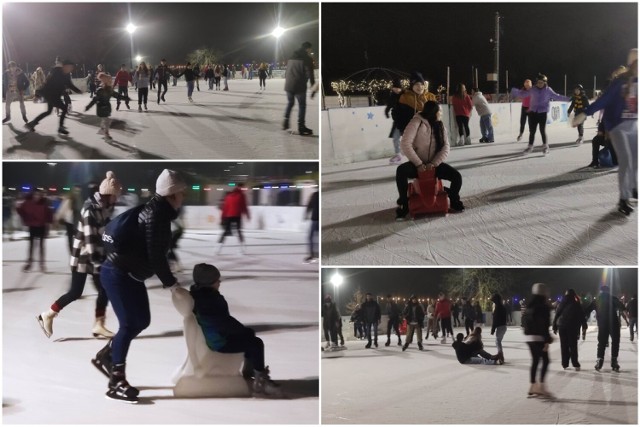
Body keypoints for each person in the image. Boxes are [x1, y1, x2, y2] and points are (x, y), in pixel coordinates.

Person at [93, 169, 186, 402]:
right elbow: (157, 256)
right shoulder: (156, 216)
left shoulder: (159, 213)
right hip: (117, 274)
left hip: (130, 275)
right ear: (172, 194)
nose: (183, 197)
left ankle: (107, 355)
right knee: (128, 324)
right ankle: (116, 381)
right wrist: (172, 284)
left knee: (141, 320)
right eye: (181, 192)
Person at [37, 172, 121, 339]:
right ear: (109, 194)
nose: (117, 199)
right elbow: (90, 241)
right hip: (83, 258)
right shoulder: (91, 210)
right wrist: (99, 263)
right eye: (116, 195)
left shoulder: (104, 208)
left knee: (103, 290)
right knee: (76, 292)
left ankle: (99, 324)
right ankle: (47, 315)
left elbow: (105, 233)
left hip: (93, 256)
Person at [189, 263, 281, 396]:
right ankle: (261, 380)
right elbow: (222, 322)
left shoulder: (201, 296)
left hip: (215, 335)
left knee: (249, 334)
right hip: (219, 341)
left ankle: (249, 371)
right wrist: (240, 330)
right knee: (256, 343)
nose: (219, 282)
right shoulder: (210, 301)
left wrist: (242, 330)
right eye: (217, 280)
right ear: (208, 282)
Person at [577, 49, 637, 215]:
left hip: (634, 126)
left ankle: (633, 187)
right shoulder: (620, 82)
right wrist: (585, 113)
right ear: (632, 64)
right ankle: (623, 200)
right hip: (617, 126)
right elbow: (603, 100)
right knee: (625, 160)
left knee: (636, 160)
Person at [395, 100, 464, 219]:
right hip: (417, 165)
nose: (441, 114)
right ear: (434, 112)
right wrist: (418, 164)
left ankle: (454, 200)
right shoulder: (416, 122)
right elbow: (405, 143)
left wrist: (434, 163)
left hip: (434, 165)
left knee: (456, 177)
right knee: (401, 171)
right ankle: (404, 204)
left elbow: (445, 147)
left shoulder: (440, 125)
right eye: (440, 111)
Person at [511, 73, 570, 155]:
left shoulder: (548, 90)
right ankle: (530, 147)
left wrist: (568, 99)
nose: (540, 84)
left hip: (542, 113)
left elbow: (556, 96)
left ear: (545, 83)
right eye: (538, 82)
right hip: (533, 112)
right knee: (532, 131)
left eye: (541, 82)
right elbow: (523, 94)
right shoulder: (533, 89)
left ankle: (545, 146)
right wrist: (514, 91)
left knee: (542, 130)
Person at [25, 59, 81, 135]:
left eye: (71, 68)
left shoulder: (66, 75)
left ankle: (32, 123)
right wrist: (37, 94)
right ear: (65, 66)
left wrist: (78, 91)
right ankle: (60, 127)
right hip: (50, 94)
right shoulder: (56, 72)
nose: (70, 69)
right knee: (64, 108)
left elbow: (70, 85)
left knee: (48, 112)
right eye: (69, 67)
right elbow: (47, 82)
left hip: (55, 95)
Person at [522, 283, 553, 398]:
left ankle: (533, 385)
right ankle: (541, 387)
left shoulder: (529, 306)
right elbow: (544, 325)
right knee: (545, 360)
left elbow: (524, 322)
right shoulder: (544, 307)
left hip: (529, 338)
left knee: (535, 360)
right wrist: (546, 340)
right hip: (539, 338)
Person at [584, 285, 625, 371]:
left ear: (601, 291)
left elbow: (587, 310)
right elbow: (622, 307)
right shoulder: (613, 298)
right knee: (615, 342)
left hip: (602, 324)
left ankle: (599, 361)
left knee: (601, 342)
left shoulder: (597, 299)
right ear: (608, 291)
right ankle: (614, 361)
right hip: (613, 323)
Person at [84, 73, 130, 141]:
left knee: (105, 120)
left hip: (107, 108)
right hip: (101, 108)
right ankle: (106, 134)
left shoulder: (110, 90)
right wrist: (88, 106)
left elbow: (117, 95)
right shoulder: (100, 90)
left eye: (111, 81)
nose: (111, 82)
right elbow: (94, 100)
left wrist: (126, 98)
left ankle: (102, 129)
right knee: (107, 121)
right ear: (105, 81)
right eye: (109, 81)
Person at [283, 42, 315, 136]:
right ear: (308, 49)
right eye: (310, 49)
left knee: (290, 103)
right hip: (299, 86)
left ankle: (285, 121)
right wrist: (313, 89)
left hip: (288, 84)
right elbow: (311, 75)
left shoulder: (291, 57)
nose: (310, 51)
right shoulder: (307, 59)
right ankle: (301, 126)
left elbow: (287, 71)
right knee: (302, 105)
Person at [16, 190, 53, 272]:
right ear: (33, 195)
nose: (37, 196)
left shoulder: (44, 203)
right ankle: (29, 263)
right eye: (35, 195)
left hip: (42, 226)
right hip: (32, 226)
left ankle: (42, 264)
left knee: (41, 246)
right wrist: (18, 207)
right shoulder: (28, 203)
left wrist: (50, 223)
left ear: (41, 196)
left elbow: (49, 214)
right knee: (31, 246)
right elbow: (21, 210)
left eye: (39, 195)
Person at [552, 289, 587, 371]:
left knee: (564, 345)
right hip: (572, 327)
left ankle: (565, 363)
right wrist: (584, 325)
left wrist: (554, 325)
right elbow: (582, 315)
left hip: (562, 326)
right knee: (573, 345)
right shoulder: (576, 304)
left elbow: (557, 314)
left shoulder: (562, 303)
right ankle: (575, 362)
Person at [217, 183, 250, 254]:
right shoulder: (241, 196)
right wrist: (247, 215)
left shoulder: (228, 196)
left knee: (225, 232)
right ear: (239, 187)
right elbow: (244, 206)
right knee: (238, 231)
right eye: (242, 188)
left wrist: (222, 217)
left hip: (229, 215)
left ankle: (218, 248)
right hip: (237, 215)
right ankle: (242, 248)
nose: (243, 189)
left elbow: (225, 208)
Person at [53, 185, 83, 253]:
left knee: (77, 238)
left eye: (78, 191)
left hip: (77, 221)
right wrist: (57, 218)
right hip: (69, 221)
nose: (77, 192)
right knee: (70, 238)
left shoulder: (80, 199)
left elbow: (81, 209)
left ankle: (76, 251)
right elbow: (62, 209)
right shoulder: (69, 199)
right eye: (76, 190)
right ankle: (71, 251)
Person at [384, 78, 405, 165]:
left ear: (400, 88)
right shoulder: (392, 96)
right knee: (395, 138)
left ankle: (417, 154)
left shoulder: (405, 95)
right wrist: (387, 111)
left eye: (397, 88)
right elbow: (389, 105)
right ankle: (398, 155)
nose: (396, 89)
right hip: (397, 121)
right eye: (394, 88)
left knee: (410, 139)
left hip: (406, 121)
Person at [490, 293, 507, 363]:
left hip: (500, 327)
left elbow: (495, 320)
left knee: (498, 341)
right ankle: (501, 356)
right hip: (504, 326)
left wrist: (493, 329)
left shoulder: (497, 308)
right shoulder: (503, 307)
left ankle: (501, 356)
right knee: (498, 341)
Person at [304, 190, 318, 262]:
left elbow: (309, 205)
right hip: (315, 219)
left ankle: (313, 255)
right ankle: (314, 255)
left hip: (315, 220)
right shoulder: (315, 195)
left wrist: (306, 214)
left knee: (311, 237)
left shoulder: (315, 194)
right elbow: (310, 205)